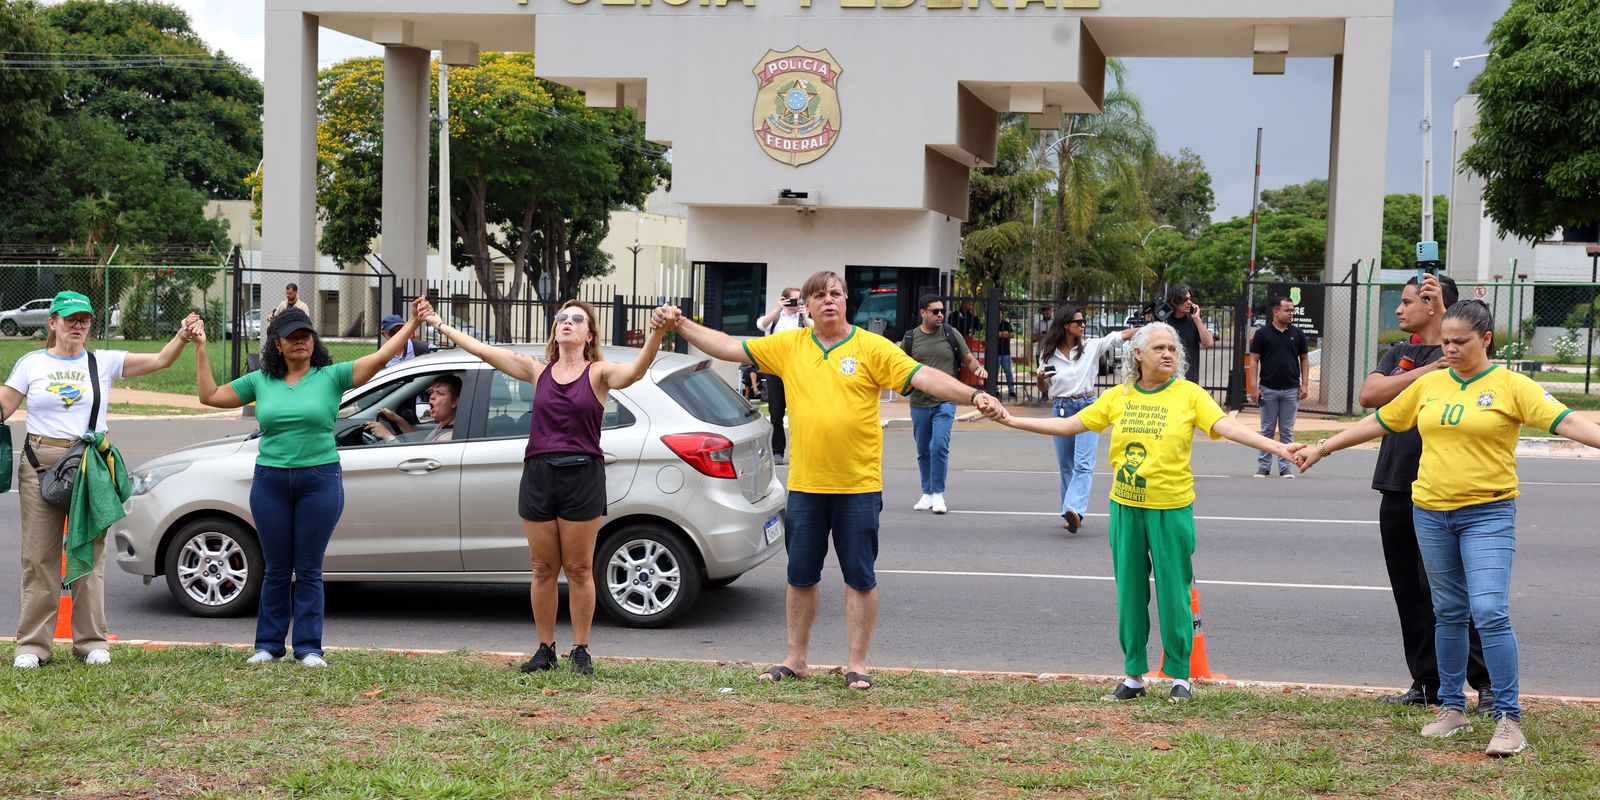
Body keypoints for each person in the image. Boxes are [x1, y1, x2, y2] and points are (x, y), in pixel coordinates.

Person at [652, 270, 998, 690]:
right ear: (808, 306)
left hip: (858, 486)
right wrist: (680, 324)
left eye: (836, 293)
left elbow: (923, 376)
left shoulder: (872, 347)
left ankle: (857, 664)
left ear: (847, 300)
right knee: (800, 576)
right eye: (819, 296)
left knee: (860, 577)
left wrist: (972, 394)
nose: (828, 301)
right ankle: (796, 659)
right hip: (806, 486)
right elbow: (728, 346)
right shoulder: (789, 345)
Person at [1294, 299, 1600, 757]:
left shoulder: (1512, 386)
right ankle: (1452, 708)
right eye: (1446, 342)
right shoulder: (1430, 385)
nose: (1451, 349)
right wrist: (1322, 448)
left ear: (1487, 340)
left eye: (1461, 342)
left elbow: (1570, 421)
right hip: (1430, 513)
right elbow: (1379, 421)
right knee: (1449, 612)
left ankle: (1508, 719)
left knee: (1490, 610)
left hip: (1488, 514)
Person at [981, 322, 1292, 702]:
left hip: (1171, 508)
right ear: (1137, 354)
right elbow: (1069, 425)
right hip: (1126, 507)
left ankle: (1180, 676)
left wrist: (1278, 448)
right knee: (1129, 593)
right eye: (1159, 348)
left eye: (1173, 349)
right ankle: (1133, 676)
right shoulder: (1119, 396)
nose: (1168, 355)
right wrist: (1012, 420)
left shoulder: (1189, 395)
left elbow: (1227, 427)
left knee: (1174, 592)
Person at [415, 296, 667, 677]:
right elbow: (484, 351)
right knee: (542, 568)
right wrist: (438, 323)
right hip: (539, 475)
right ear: (555, 330)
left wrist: (657, 333)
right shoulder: (538, 371)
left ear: (588, 333)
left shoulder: (599, 373)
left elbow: (635, 372)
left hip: (582, 475)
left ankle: (580, 649)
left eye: (576, 319)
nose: (567, 322)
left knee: (580, 568)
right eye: (562, 318)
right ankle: (544, 649)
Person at [189, 305, 425, 667]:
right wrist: (201, 347)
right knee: (277, 568)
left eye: (306, 336)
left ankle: (309, 648)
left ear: (314, 342)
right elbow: (210, 396)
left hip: (320, 480)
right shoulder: (260, 381)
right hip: (271, 481)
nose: (301, 342)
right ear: (277, 345)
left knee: (310, 567)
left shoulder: (332, 376)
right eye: (292, 337)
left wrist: (412, 323)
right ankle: (268, 645)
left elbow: (380, 358)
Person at [2, 292, 198, 669]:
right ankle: (32, 646)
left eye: (85, 320)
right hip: (38, 466)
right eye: (70, 319)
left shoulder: (102, 362)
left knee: (89, 555)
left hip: (88, 467)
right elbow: (6, 405)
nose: (78, 326)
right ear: (53, 323)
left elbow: (159, 360)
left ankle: (90, 641)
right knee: (38, 557)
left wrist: (182, 336)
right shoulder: (31, 363)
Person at [1358, 274, 1494, 712]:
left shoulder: (1460, 355)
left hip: (1444, 491)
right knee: (1408, 591)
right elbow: (1370, 394)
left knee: (1449, 592)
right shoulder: (1401, 354)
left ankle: (1486, 683)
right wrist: (1422, 371)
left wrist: (1440, 357)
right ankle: (1426, 682)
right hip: (1396, 484)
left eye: (1409, 301)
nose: (1399, 310)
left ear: (1433, 304)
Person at [1036, 306, 1135, 533]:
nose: (1082, 325)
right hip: (1061, 407)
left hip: (1088, 406)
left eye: (1083, 321)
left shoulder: (1090, 346)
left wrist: (1150, 328)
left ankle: (1075, 510)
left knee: (1083, 464)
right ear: (1065, 325)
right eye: (1078, 322)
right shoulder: (1048, 352)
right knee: (1066, 465)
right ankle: (1068, 512)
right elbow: (1043, 387)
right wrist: (1040, 378)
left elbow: (1117, 337)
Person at [899, 294, 987, 515]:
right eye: (935, 311)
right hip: (919, 402)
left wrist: (978, 369)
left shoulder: (950, 334)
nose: (940, 315)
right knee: (923, 449)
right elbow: (898, 366)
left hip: (945, 401)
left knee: (938, 446)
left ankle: (938, 493)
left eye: (942, 311)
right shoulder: (910, 338)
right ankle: (926, 493)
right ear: (923, 313)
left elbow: (968, 359)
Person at [1246, 296, 1310, 478]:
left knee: (1287, 430)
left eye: (1293, 311)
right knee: (1267, 429)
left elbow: (1304, 359)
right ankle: (1264, 467)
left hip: (1291, 390)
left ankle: (1285, 467)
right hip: (1268, 389)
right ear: (1276, 312)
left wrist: (1304, 384)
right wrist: (1253, 387)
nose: (1292, 314)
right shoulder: (1262, 334)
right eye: (1288, 310)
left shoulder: (1297, 334)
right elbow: (1253, 360)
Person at [756, 287, 811, 466]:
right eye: (794, 300)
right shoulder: (776, 318)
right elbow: (761, 325)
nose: (797, 304)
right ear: (785, 300)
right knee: (776, 412)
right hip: (774, 370)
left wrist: (804, 316)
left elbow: (816, 330)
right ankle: (778, 451)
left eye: (800, 300)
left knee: (801, 413)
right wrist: (777, 308)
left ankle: (801, 452)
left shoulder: (803, 320)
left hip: (798, 371)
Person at [365, 374, 461, 443]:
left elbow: (418, 459)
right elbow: (419, 441)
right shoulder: (443, 426)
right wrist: (396, 418)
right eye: (432, 392)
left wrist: (388, 437)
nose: (432, 397)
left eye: (440, 393)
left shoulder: (448, 438)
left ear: (455, 402)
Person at [1164, 284, 1213, 383]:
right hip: (1167, 378)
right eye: (1185, 299)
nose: (1189, 302)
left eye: (1190, 299)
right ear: (1175, 301)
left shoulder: (1193, 321)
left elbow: (1209, 343)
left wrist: (1197, 319)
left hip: (1190, 379)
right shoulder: (1165, 321)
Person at [996, 315, 1016, 400]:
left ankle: (1011, 390)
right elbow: (992, 334)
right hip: (995, 352)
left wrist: (1000, 334)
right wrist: (1004, 334)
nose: (999, 315)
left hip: (1005, 352)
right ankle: (995, 390)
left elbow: (1012, 334)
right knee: (994, 373)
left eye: (1000, 313)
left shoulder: (1006, 324)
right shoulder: (993, 323)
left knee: (1008, 372)